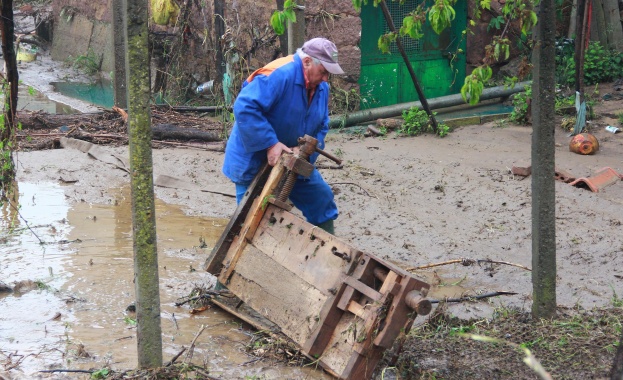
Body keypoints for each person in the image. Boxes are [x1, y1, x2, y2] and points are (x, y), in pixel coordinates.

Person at [222, 37, 344, 234]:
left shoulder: (322, 88)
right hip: (253, 155)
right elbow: (245, 107)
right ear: (307, 62)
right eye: (323, 72)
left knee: (321, 198)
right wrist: (271, 144)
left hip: (293, 159)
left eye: (328, 74)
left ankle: (324, 255)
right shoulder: (278, 75)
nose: (325, 79)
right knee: (250, 218)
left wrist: (304, 153)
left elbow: (322, 125)